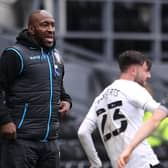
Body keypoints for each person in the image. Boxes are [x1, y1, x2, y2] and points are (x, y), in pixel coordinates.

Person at [0, 10, 72, 168]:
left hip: (50, 144)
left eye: (53, 25)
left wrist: (67, 102)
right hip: (20, 142)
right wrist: (4, 121)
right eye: (44, 25)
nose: (51, 29)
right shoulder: (15, 54)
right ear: (31, 29)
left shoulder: (57, 57)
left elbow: (61, 91)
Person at [77, 50, 168, 168]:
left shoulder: (99, 98)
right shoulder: (133, 88)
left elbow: (82, 132)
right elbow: (158, 112)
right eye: (146, 70)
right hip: (143, 162)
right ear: (134, 70)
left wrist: (95, 163)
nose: (149, 75)